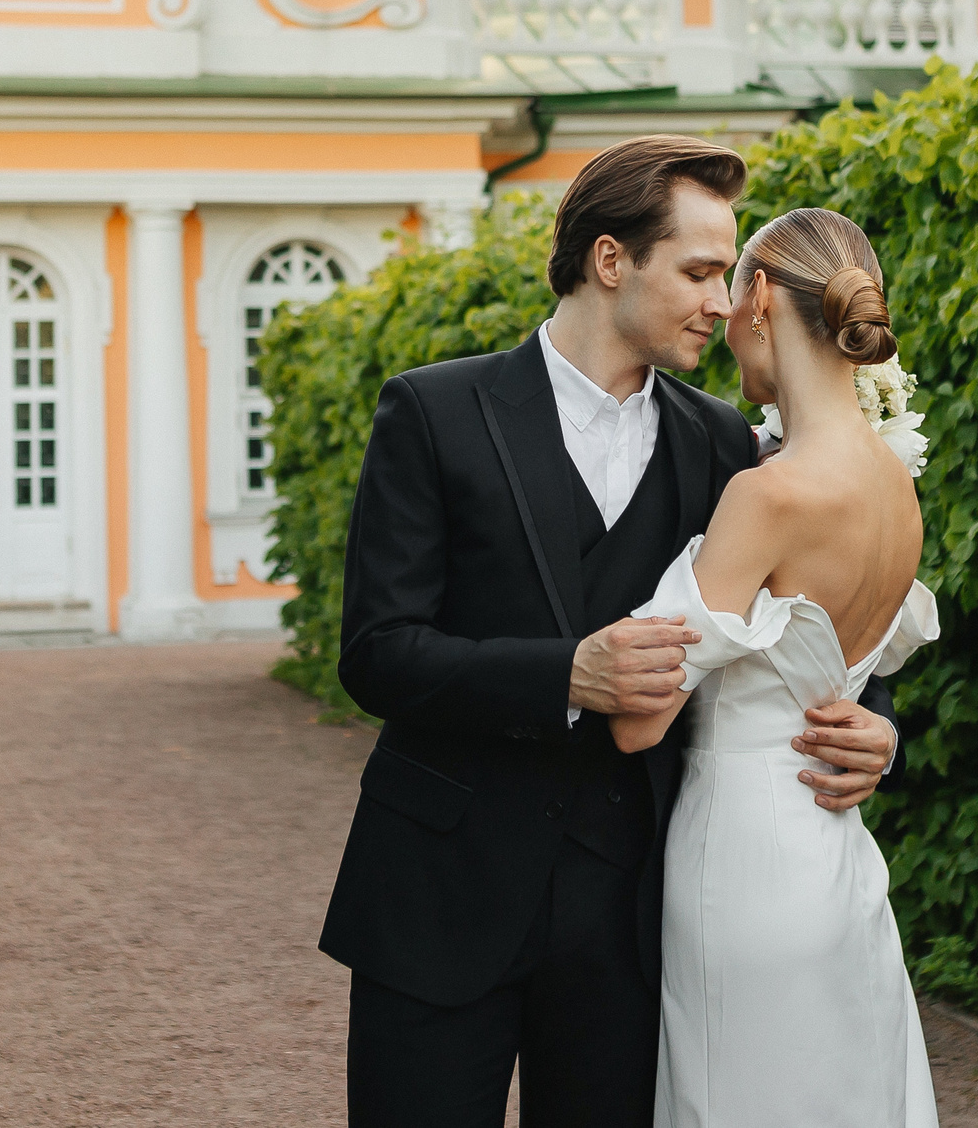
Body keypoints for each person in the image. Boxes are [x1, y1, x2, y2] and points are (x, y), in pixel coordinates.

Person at [320, 137, 902, 1128]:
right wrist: (567, 675)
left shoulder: (725, 445)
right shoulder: (433, 411)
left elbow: (809, 599)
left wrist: (877, 724)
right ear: (608, 261)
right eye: (701, 273)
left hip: (633, 915)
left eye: (727, 276)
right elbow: (377, 652)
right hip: (439, 895)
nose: (726, 305)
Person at [613, 207, 941, 1127]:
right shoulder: (896, 487)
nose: (720, 315)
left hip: (745, 858)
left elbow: (640, 716)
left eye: (731, 288)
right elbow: (847, 674)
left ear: (760, 297)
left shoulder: (767, 494)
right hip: (838, 855)